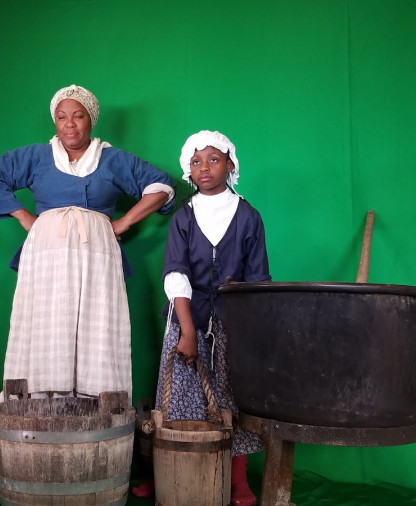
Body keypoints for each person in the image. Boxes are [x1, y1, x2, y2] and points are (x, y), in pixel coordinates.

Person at [0, 84, 175, 399]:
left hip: (96, 252)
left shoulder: (112, 159)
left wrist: (125, 221)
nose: (69, 123)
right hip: (47, 251)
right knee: (46, 323)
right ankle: (40, 401)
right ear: (54, 121)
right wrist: (24, 217)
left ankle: (98, 403)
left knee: (98, 324)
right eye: (62, 116)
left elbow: (162, 186)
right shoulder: (37, 156)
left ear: (91, 120)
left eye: (78, 116)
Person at [132, 130, 270, 505]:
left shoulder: (248, 217)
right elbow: (175, 272)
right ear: (187, 171)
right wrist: (188, 329)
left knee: (230, 399)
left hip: (232, 321)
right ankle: (168, 476)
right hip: (185, 317)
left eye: (213, 159)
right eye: (196, 161)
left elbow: (257, 279)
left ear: (230, 164)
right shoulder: (184, 217)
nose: (204, 167)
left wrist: (252, 333)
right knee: (179, 400)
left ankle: (237, 479)